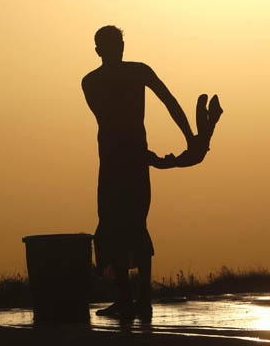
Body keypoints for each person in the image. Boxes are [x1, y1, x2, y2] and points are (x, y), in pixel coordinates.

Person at [82, 26, 194, 320]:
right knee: (124, 226)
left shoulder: (94, 81)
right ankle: (133, 299)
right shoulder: (107, 78)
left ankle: (134, 299)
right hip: (126, 158)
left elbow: (167, 103)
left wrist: (190, 139)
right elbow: (165, 103)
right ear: (105, 50)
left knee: (121, 226)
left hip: (119, 159)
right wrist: (189, 139)